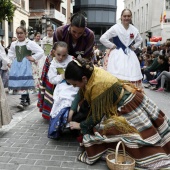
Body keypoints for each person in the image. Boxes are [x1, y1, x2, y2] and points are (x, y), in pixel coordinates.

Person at [65, 57, 170, 169]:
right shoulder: (89, 72)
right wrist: (72, 109)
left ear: (84, 79)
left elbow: (96, 117)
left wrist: (80, 125)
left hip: (127, 106)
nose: (74, 87)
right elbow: (81, 92)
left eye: (74, 84)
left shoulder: (98, 85)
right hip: (124, 101)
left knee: (115, 134)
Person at [38, 12, 95, 120]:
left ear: (85, 30)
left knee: (79, 85)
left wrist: (76, 68)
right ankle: (53, 113)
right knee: (53, 83)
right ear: (70, 26)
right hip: (58, 61)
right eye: (74, 32)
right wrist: (59, 65)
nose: (77, 35)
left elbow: (86, 57)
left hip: (80, 62)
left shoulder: (90, 35)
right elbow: (56, 52)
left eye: (80, 33)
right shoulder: (59, 31)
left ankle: (78, 112)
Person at [100, 9, 143, 88]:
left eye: (128, 16)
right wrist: (112, 45)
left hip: (130, 55)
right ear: (121, 17)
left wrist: (134, 47)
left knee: (131, 73)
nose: (126, 18)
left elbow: (140, 40)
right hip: (117, 55)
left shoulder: (134, 29)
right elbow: (103, 38)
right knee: (116, 75)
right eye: (125, 16)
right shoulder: (116, 28)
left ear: (131, 17)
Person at [7, 26, 44, 110]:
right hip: (17, 65)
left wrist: (33, 58)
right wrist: (9, 62)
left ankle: (23, 100)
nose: (19, 35)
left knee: (25, 81)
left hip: (26, 65)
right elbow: (11, 53)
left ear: (25, 33)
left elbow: (40, 51)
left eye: (21, 33)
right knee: (21, 82)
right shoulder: (14, 44)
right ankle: (26, 99)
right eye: (18, 33)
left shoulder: (29, 43)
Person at [47, 41, 79, 139]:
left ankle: (73, 125)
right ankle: (59, 125)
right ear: (53, 52)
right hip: (61, 86)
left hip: (74, 85)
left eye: (64, 55)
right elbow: (52, 79)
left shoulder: (72, 60)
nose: (61, 57)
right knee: (63, 99)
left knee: (74, 98)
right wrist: (62, 76)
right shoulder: (53, 64)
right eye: (58, 55)